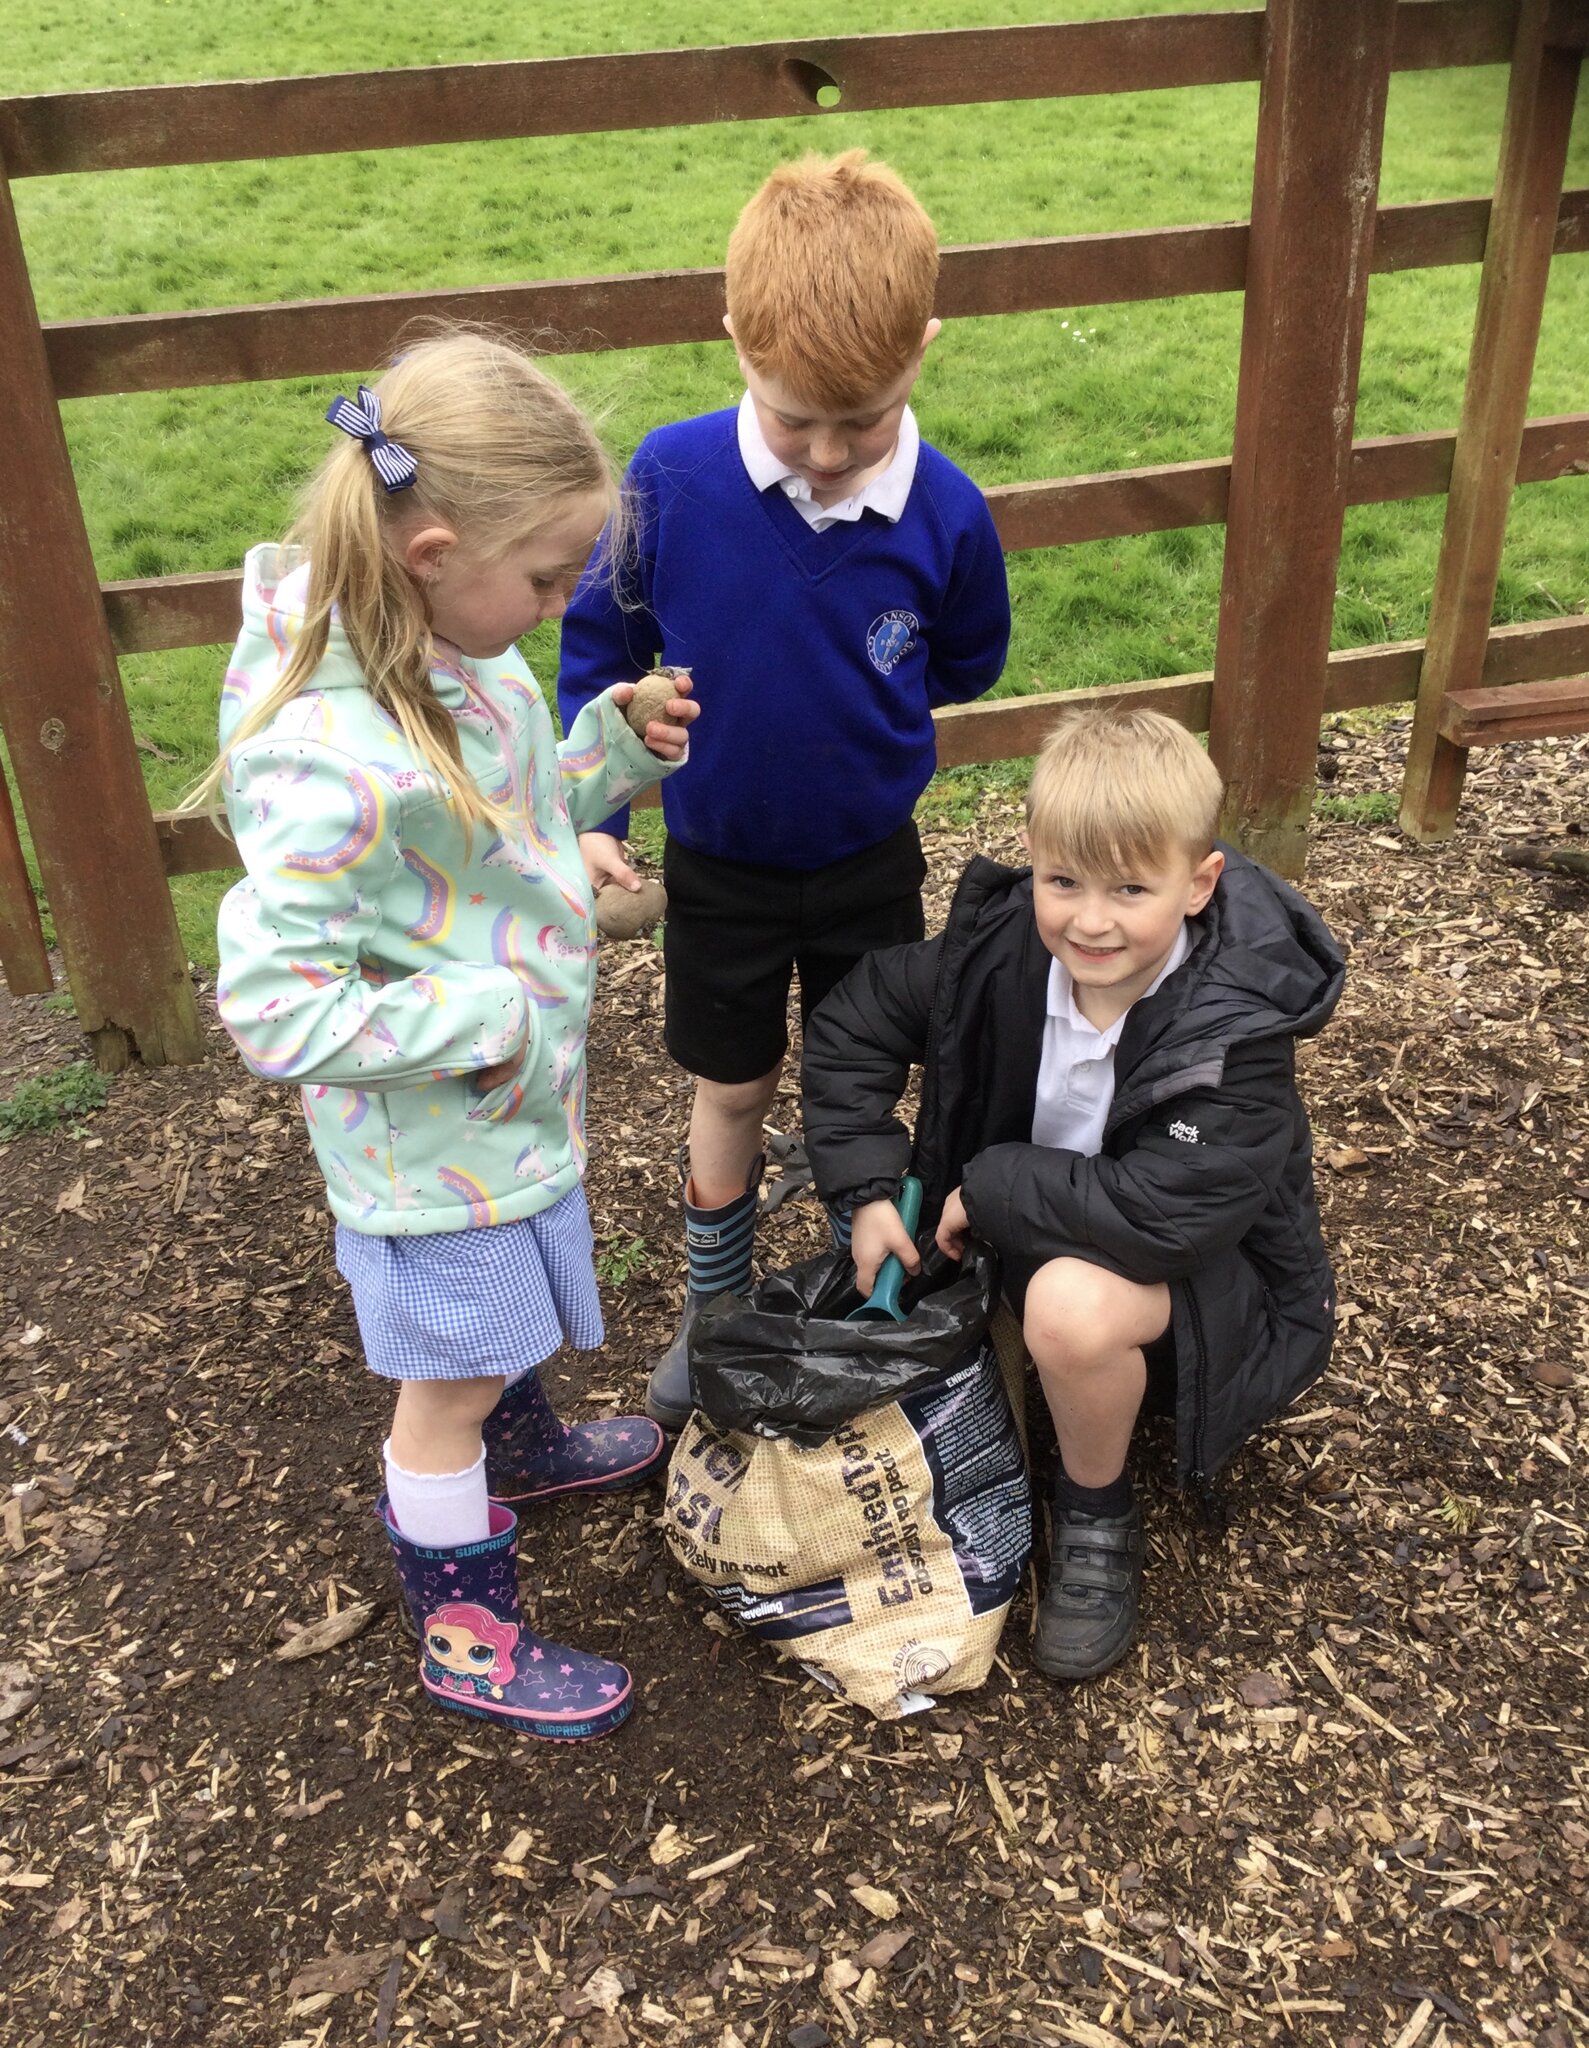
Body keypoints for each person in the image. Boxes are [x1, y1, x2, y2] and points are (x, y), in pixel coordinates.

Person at [192, 331, 698, 1739]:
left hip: (496, 1109)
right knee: (444, 1381)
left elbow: (503, 818)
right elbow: (272, 1005)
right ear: (426, 546)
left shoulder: (454, 651)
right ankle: (463, 1631)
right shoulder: (327, 761)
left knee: (503, 1315)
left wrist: (606, 743)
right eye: (543, 579)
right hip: (433, 1135)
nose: (553, 606)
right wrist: (487, 1012)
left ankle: (519, 1446)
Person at [558, 150, 1011, 1429]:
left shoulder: (948, 515)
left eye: (857, 421)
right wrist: (595, 815)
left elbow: (967, 657)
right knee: (734, 1084)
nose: (821, 452)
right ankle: (713, 1310)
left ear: (922, 348)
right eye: (789, 413)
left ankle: (855, 1283)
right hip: (719, 863)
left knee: (860, 1081)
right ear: (733, 338)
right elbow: (599, 650)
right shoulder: (667, 479)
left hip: (870, 857)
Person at [801, 708, 1344, 1682]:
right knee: (957, 1282)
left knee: (1067, 1305)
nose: (1089, 920)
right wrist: (870, 1185)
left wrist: (993, 1186)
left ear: (1197, 882)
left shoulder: (1238, 1026)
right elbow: (853, 1020)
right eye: (1063, 882)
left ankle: (1094, 1511)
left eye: (1129, 889)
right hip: (1034, 1219)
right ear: (1034, 861)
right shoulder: (998, 954)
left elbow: (1165, 1215)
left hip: (1206, 1285)